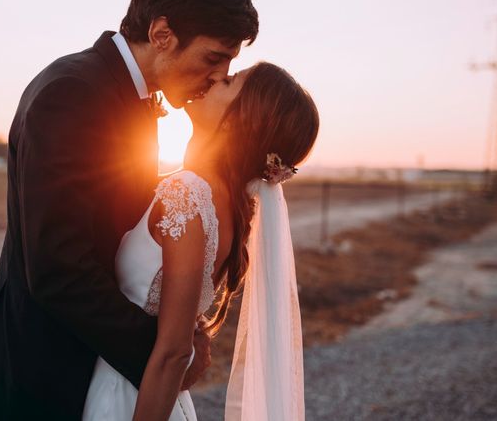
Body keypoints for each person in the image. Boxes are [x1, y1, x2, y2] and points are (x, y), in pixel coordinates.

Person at [0, 0, 259, 420]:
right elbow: (57, 266)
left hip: (86, 367)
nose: (220, 74)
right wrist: (167, 351)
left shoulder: (131, 96)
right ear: (162, 34)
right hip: (45, 372)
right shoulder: (74, 93)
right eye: (214, 57)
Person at [81, 62, 319, 420]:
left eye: (231, 80)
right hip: (158, 393)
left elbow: (175, 352)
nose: (215, 77)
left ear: (243, 119)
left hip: (130, 395)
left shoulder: (188, 193)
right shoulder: (228, 203)